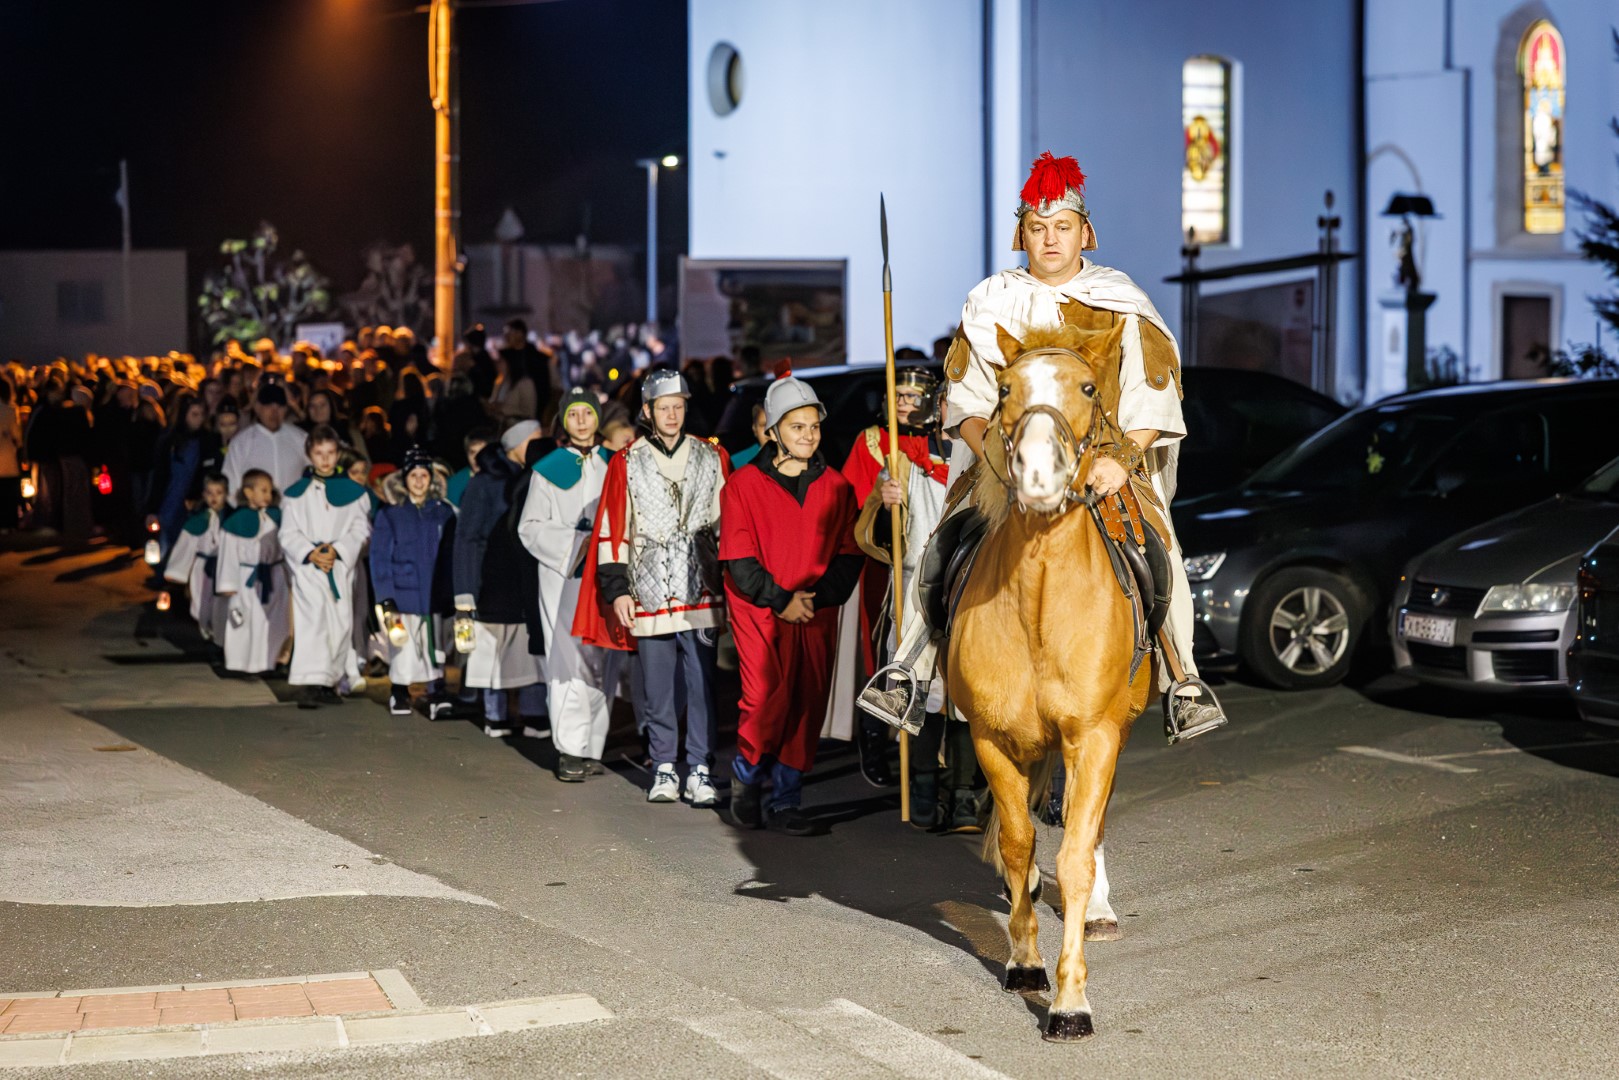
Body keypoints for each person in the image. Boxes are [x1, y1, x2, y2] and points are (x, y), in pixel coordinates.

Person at [858, 150, 1226, 740]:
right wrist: (995, 462)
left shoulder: (1122, 301)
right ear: (1020, 233)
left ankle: (1181, 677)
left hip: (1104, 461)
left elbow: (1150, 399)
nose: (1050, 240)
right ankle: (910, 668)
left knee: (1158, 548)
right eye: (1037, 228)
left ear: (1086, 232)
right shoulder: (991, 300)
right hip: (1006, 461)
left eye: (1062, 228)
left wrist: (1121, 461)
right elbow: (968, 403)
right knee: (946, 540)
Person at [575, 369, 728, 806]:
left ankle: (699, 766)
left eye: (678, 406)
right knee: (658, 687)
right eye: (664, 407)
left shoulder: (710, 456)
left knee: (702, 684)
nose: (673, 414)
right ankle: (664, 764)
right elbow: (611, 528)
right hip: (649, 590)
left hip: (701, 590)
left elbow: (726, 524)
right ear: (648, 412)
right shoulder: (627, 461)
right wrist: (617, 588)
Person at [721, 376, 862, 835]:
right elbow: (739, 560)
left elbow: (848, 554)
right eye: (797, 426)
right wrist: (781, 600)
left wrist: (815, 600)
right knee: (764, 699)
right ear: (774, 430)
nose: (807, 435)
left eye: (813, 426)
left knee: (806, 700)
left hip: (815, 612)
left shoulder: (838, 487)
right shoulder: (743, 485)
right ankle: (747, 777)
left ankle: (786, 798)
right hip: (761, 611)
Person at [839, 369, 951, 787]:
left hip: (942, 561)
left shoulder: (939, 440)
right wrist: (882, 502)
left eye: (912, 395)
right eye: (897, 395)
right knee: (884, 651)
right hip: (884, 560)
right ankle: (875, 742)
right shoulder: (873, 441)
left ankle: (936, 759)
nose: (904, 403)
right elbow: (856, 501)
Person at [518, 390, 617, 781]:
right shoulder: (548, 470)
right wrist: (577, 542)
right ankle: (569, 749)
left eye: (587, 413)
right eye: (573, 414)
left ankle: (593, 745)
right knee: (567, 658)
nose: (580, 420)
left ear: (597, 418)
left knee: (602, 658)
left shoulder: (614, 464)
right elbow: (529, 527)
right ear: (563, 421)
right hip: (565, 575)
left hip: (608, 574)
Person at [454, 420, 548, 737]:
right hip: (491, 580)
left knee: (527, 646)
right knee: (492, 648)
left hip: (523, 577)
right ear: (516, 445)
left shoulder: (534, 475)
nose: (540, 444)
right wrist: (465, 590)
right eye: (534, 439)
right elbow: (467, 537)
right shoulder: (485, 482)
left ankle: (535, 713)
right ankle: (496, 713)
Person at [280, 424, 373, 708]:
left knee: (339, 623)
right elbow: (288, 533)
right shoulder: (296, 494)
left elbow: (361, 528)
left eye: (330, 453)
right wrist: (310, 553)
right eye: (319, 453)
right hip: (310, 569)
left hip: (339, 566)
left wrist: (338, 549)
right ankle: (310, 684)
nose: (325, 459)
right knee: (313, 623)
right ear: (309, 454)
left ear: (338, 454)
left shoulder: (353, 492)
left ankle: (330, 681)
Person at [371, 447, 457, 719]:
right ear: (404, 478)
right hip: (403, 593)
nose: (419, 481)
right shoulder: (391, 513)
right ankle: (399, 690)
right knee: (404, 646)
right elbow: (379, 556)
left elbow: (452, 554)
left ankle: (436, 690)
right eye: (413, 475)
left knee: (435, 643)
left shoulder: (444, 512)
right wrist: (385, 596)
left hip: (434, 592)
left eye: (424, 475)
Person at [215, 469, 291, 676]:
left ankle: (272, 659)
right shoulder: (236, 522)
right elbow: (228, 554)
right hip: (246, 581)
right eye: (263, 490)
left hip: (274, 576)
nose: (268, 495)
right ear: (248, 493)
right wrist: (227, 585)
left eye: (269, 491)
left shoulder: (276, 517)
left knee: (275, 621)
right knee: (246, 620)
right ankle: (242, 662)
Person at [163, 472, 231, 649]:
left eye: (218, 492)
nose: (214, 497)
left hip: (223, 567)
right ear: (204, 495)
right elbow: (186, 545)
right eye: (210, 493)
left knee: (220, 604)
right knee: (201, 602)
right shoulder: (198, 520)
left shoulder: (231, 518)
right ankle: (206, 631)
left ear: (226, 494)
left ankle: (218, 640)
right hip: (202, 568)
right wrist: (177, 571)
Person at [222, 382, 309, 499]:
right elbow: (231, 483)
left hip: (294, 512)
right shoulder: (240, 443)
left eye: (279, 407)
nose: (274, 412)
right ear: (258, 408)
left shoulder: (301, 438)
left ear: (286, 410)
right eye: (268, 407)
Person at [445, 427, 494, 508]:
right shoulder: (455, 484)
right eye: (472, 452)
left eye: (482, 452)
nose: (476, 458)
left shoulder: (502, 478)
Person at [729, 404, 770, 469]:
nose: (770, 431)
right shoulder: (738, 462)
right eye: (764, 425)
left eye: (774, 425)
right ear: (755, 429)